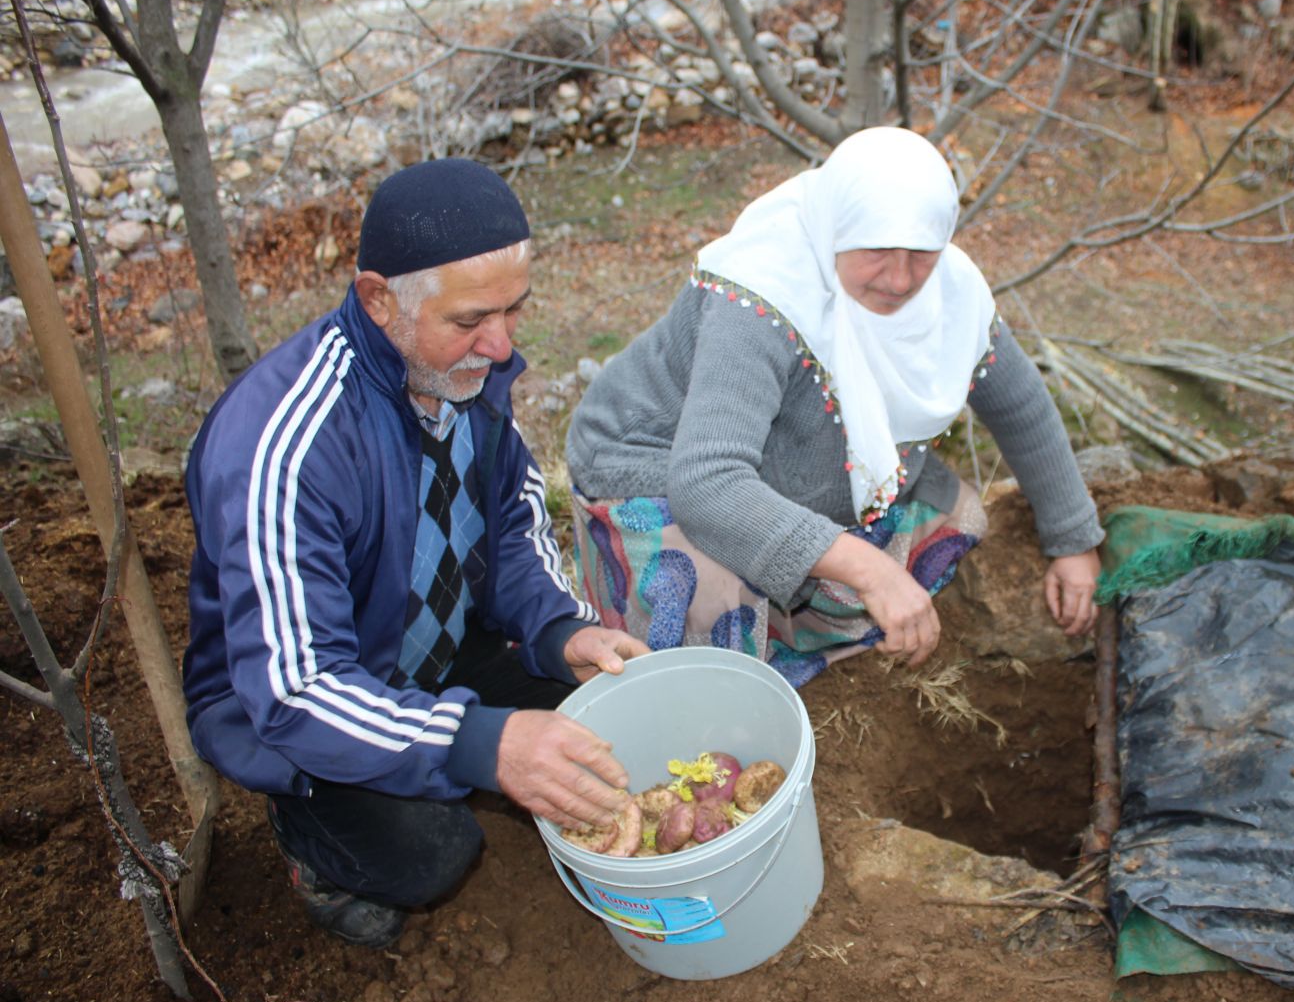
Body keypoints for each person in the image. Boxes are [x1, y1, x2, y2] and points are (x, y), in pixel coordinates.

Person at [182, 158, 649, 949]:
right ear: (378, 299)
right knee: (432, 850)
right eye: (471, 320)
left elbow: (511, 523)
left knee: (602, 719)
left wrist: (556, 631)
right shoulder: (289, 445)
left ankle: (458, 729)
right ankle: (312, 845)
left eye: (513, 311)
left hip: (430, 645)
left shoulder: (461, 374)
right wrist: (481, 743)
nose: (501, 347)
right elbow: (298, 690)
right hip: (305, 704)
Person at [565, 127, 1102, 687]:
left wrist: (1074, 541)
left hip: (803, 475)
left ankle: (793, 613)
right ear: (834, 230)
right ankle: (741, 651)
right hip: (660, 465)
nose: (899, 279)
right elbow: (707, 483)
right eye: (875, 251)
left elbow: (1022, 409)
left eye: (921, 254)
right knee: (704, 598)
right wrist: (869, 571)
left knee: (960, 517)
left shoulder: (953, 293)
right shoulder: (762, 294)